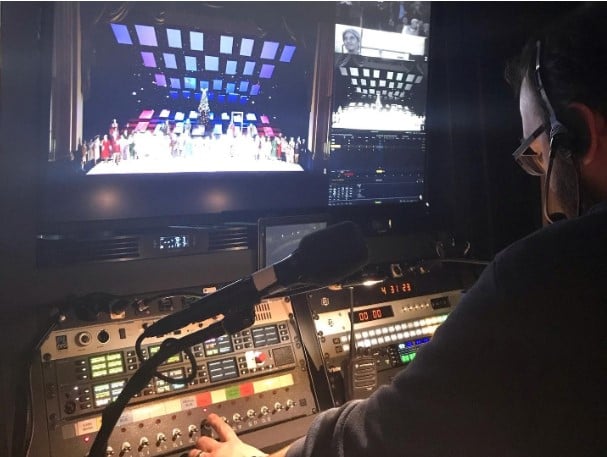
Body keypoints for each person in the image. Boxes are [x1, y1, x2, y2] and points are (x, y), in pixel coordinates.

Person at [189, 5, 607, 457]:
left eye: (538, 154)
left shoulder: (548, 276)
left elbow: (394, 434)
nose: (541, 176)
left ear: (582, 133)